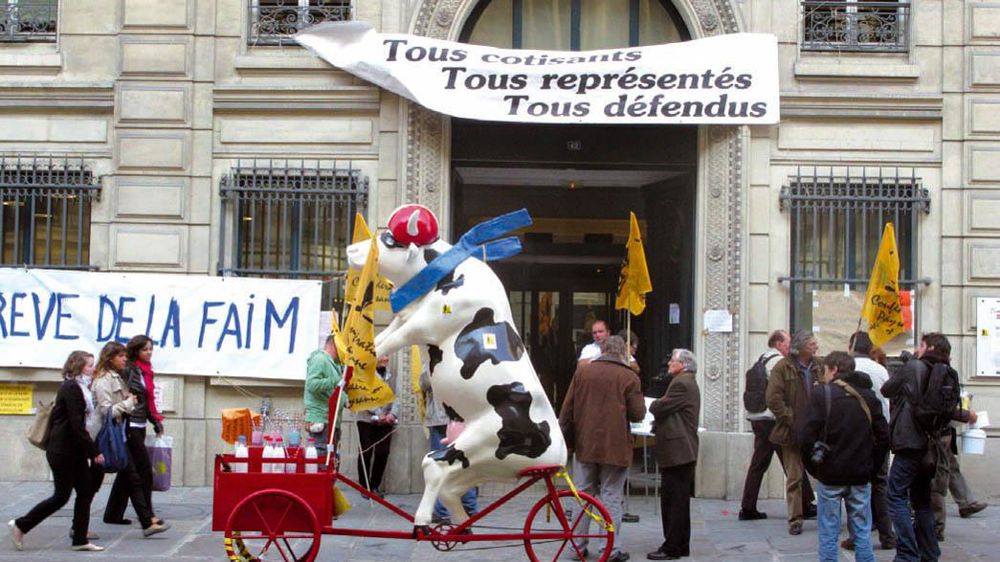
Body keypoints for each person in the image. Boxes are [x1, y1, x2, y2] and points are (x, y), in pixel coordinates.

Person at [882, 333, 973, 562]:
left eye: (920, 345)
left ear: (929, 347)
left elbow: (886, 390)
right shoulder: (946, 373)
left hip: (909, 443)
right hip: (931, 446)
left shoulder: (913, 367)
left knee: (895, 495)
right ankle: (930, 553)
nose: (917, 348)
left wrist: (907, 365)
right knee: (922, 501)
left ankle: (907, 553)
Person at [8, 351, 106, 552]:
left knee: (85, 491)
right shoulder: (72, 388)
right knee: (61, 496)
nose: (93, 369)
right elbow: (76, 425)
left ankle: (80, 539)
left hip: (75, 451)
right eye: (89, 365)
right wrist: (94, 451)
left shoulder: (81, 388)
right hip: (62, 451)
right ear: (78, 367)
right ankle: (21, 524)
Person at [560, 335, 646, 562]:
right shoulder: (629, 376)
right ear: (621, 353)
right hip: (615, 446)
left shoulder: (583, 372)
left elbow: (567, 409)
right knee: (611, 496)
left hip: (585, 443)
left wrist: (563, 438)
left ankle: (576, 546)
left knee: (583, 494)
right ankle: (610, 549)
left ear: (602, 350)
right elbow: (638, 413)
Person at [800, 351, 890, 562]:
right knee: (862, 530)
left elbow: (805, 437)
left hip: (830, 473)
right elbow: (884, 437)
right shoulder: (869, 397)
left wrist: (814, 468)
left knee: (829, 531)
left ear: (834, 370)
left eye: (826, 370)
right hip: (860, 473)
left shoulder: (822, 394)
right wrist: (872, 467)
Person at [92, 341, 168, 537]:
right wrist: (127, 403)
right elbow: (107, 410)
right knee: (92, 484)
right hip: (112, 434)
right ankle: (145, 518)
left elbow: (142, 401)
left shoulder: (122, 374)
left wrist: (152, 419)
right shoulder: (108, 378)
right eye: (120, 356)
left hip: (122, 430)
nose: (124, 359)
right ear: (111, 359)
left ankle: (144, 520)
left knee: (131, 475)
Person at [841, 331, 896, 550]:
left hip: (855, 436)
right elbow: (889, 399)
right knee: (880, 485)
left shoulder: (848, 369)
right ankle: (887, 536)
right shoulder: (880, 369)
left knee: (855, 487)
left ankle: (857, 536)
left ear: (851, 346)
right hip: (879, 433)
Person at [646, 348, 700, 561]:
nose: (669, 363)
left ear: (683, 365)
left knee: (673, 501)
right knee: (679, 499)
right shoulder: (686, 381)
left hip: (678, 450)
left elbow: (660, 407)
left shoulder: (681, 383)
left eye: (673, 361)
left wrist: (653, 404)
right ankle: (681, 543)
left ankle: (671, 546)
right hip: (682, 449)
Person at [765, 330, 821, 535]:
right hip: (792, 431)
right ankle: (795, 518)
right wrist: (791, 419)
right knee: (794, 476)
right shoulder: (782, 367)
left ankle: (827, 515)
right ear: (801, 347)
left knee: (825, 473)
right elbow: (773, 399)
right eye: (812, 343)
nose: (816, 346)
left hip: (817, 431)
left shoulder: (820, 366)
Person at [739, 329, 791, 521]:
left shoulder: (761, 359)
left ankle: (747, 507)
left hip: (757, 417)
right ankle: (805, 503)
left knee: (759, 463)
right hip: (771, 419)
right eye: (787, 343)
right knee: (790, 459)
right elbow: (785, 390)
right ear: (778, 344)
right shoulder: (779, 362)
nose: (789, 347)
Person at [419, 366, 478, 524]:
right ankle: (468, 506)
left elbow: (424, 382)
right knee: (461, 463)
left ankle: (448, 509)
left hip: (448, 420)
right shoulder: (460, 359)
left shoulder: (443, 360)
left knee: (443, 465)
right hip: (453, 419)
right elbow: (424, 383)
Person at [356, 356, 398, 496]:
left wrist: (392, 414)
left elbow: (396, 396)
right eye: (383, 356)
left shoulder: (391, 375)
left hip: (386, 420)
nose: (386, 359)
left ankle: (374, 486)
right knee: (366, 453)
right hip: (367, 419)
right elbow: (364, 394)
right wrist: (378, 413)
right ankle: (364, 486)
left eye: (388, 356)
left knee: (382, 453)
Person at [305, 335, 348, 462]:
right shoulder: (320, 359)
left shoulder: (333, 364)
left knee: (332, 459)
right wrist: (335, 380)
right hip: (322, 417)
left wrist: (345, 400)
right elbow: (312, 384)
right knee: (322, 458)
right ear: (335, 345)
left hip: (332, 419)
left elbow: (334, 390)